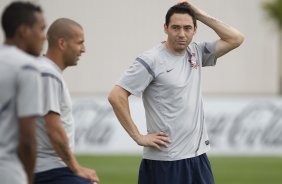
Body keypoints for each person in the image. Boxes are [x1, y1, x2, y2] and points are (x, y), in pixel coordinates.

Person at [108, 1, 244, 184]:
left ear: (195, 29)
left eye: (187, 28)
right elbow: (116, 95)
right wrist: (138, 136)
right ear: (165, 28)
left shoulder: (196, 52)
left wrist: (198, 13)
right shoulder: (152, 59)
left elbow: (236, 38)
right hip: (166, 162)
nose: (181, 34)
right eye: (176, 27)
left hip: (198, 157)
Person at [34, 18, 99, 184]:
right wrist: (76, 168)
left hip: (49, 168)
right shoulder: (48, 75)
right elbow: (54, 129)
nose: (83, 49)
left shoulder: (45, 71)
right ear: (62, 43)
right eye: (80, 43)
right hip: (48, 171)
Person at [0, 1, 46, 184]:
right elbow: (27, 137)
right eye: (41, 29)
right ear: (24, 31)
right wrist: (28, 177)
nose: (44, 37)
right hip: (8, 171)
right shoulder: (27, 68)